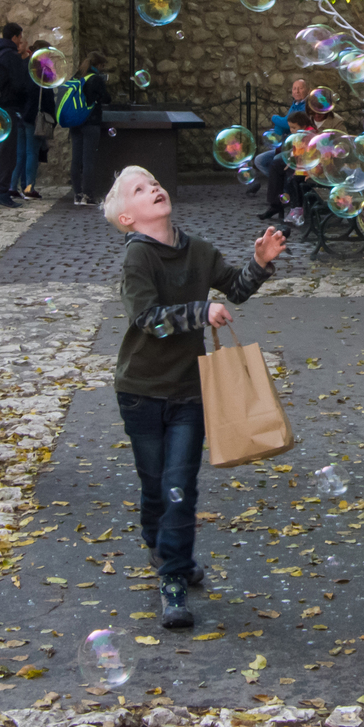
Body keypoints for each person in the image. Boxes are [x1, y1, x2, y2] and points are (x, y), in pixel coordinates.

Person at [103, 165, 286, 628]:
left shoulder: (200, 250)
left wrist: (260, 262)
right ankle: (162, 547)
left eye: (155, 182)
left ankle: (172, 580)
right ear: (128, 218)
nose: (154, 188)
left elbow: (237, 291)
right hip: (141, 391)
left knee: (179, 488)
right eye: (140, 190)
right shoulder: (137, 259)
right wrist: (201, 310)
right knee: (154, 486)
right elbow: (149, 319)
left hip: (189, 391)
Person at [0, 22, 34, 208]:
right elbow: (18, 85)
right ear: (15, 38)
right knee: (7, 153)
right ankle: (2, 192)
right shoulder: (11, 57)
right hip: (7, 109)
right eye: (20, 37)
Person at [249, 79, 310, 196]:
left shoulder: (307, 106)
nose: (297, 91)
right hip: (287, 146)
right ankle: (284, 185)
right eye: (294, 88)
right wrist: (279, 133)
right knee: (259, 160)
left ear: (307, 90)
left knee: (276, 160)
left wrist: (275, 118)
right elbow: (287, 124)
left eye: (300, 88)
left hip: (298, 149)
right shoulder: (296, 104)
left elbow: (288, 123)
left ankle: (287, 190)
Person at [10, 39, 54, 200]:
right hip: (34, 115)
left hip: (20, 114)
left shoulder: (25, 64)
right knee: (32, 153)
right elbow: (43, 96)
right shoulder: (42, 70)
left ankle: (11, 186)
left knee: (20, 153)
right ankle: (29, 188)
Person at [70, 51, 111, 205]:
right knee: (88, 160)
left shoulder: (76, 76)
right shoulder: (95, 79)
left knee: (76, 160)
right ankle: (88, 195)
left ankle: (77, 195)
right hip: (91, 122)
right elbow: (106, 98)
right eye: (102, 66)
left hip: (75, 122)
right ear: (98, 65)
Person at [262, 111, 316, 218]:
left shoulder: (308, 135)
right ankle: (275, 203)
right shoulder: (300, 134)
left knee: (292, 177)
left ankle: (296, 208)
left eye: (294, 127)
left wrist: (291, 163)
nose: (291, 130)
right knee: (276, 165)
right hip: (298, 163)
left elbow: (306, 155)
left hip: (306, 166)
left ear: (303, 126)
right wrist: (289, 161)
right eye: (290, 127)